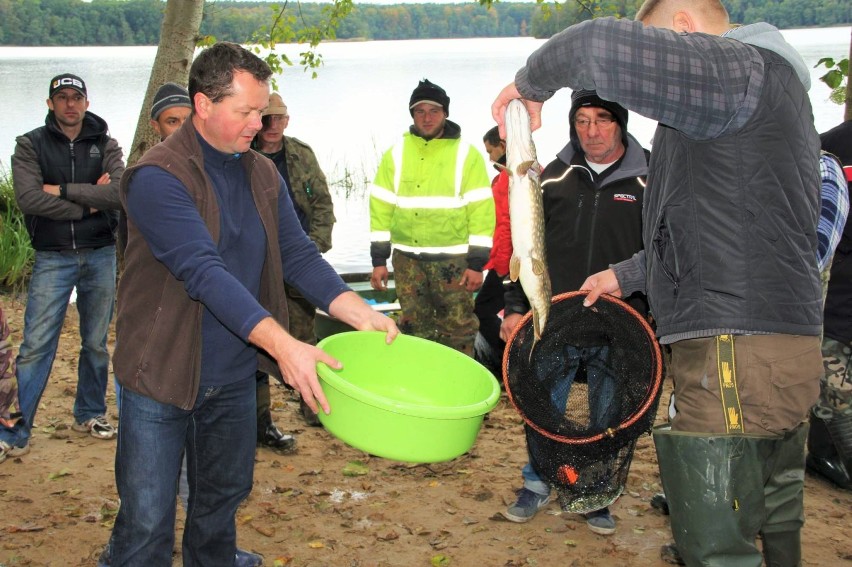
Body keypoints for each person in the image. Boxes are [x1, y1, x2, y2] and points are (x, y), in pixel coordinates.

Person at [492, 2, 823, 565]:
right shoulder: (757, 98)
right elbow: (718, 228)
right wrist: (626, 275)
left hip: (735, 348)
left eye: (662, 48)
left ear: (685, 30)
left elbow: (598, 45)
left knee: (717, 542)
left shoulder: (737, 70)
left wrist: (529, 86)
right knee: (771, 512)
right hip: (766, 343)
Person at [107, 42, 398, 565]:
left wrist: (359, 311)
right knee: (147, 521)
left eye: (261, 111)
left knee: (219, 505)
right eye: (245, 112)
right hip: (161, 371)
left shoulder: (262, 173)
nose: (258, 124)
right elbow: (203, 273)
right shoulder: (157, 177)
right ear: (202, 105)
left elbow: (298, 255)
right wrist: (285, 346)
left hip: (234, 372)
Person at [499, 91, 648, 535]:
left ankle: (597, 491)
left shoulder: (651, 178)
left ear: (620, 123)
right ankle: (537, 482)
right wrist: (512, 307)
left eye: (602, 120)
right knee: (542, 405)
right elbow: (522, 245)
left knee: (609, 416)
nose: (591, 131)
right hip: (556, 314)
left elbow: (667, 249)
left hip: (621, 320)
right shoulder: (549, 177)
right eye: (582, 121)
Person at [1, 73, 125, 457]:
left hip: (100, 253)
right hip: (52, 256)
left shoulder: (106, 143)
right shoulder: (30, 145)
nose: (70, 104)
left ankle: (90, 412)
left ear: (86, 102)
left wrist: (63, 190)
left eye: (76, 97)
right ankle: (12, 432)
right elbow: (29, 199)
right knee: (35, 346)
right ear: (50, 103)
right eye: (62, 97)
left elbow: (118, 192)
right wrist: (89, 202)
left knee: (95, 343)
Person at [370, 78, 494, 356]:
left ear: (445, 114)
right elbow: (381, 208)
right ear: (412, 115)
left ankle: (460, 391)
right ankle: (422, 391)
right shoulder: (397, 153)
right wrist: (378, 260)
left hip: (453, 263)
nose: (426, 118)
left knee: (459, 328)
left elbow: (482, 212)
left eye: (434, 111)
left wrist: (477, 264)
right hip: (407, 261)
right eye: (419, 111)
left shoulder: (466, 154)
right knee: (414, 329)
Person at [252, 92, 336, 434]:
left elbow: (323, 207)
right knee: (254, 341)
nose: (272, 126)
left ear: (287, 120)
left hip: (298, 263)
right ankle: (260, 421)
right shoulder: (243, 153)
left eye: (279, 119)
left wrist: (313, 250)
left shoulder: (301, 154)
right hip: (254, 264)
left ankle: (312, 405)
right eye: (266, 119)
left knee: (304, 337)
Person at [808, 119, 852, 490]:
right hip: (836, 305)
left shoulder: (827, 156)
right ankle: (823, 455)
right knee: (836, 398)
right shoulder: (830, 148)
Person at [473, 126, 511, 374]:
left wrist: (501, 264)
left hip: (507, 263)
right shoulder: (501, 177)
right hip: (500, 260)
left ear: (504, 146)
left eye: (491, 151)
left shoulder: (510, 177)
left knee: (482, 309)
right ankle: (505, 362)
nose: (489, 158)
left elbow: (508, 224)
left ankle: (502, 364)